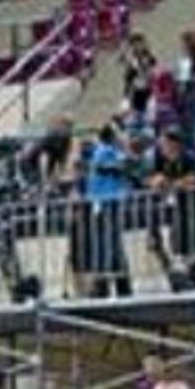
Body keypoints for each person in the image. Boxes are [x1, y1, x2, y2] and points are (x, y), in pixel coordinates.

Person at [75, 124, 132, 298]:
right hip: (108, 199)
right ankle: (105, 280)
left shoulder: (100, 152)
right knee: (108, 239)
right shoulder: (106, 151)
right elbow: (123, 164)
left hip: (101, 200)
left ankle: (112, 279)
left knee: (110, 240)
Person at [147, 130, 195, 290]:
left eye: (164, 143)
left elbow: (193, 179)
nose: (162, 147)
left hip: (186, 208)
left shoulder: (188, 158)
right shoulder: (160, 159)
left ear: (174, 144)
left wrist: (175, 184)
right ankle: (174, 275)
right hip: (165, 208)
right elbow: (152, 179)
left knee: (187, 244)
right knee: (162, 242)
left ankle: (192, 276)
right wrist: (157, 182)